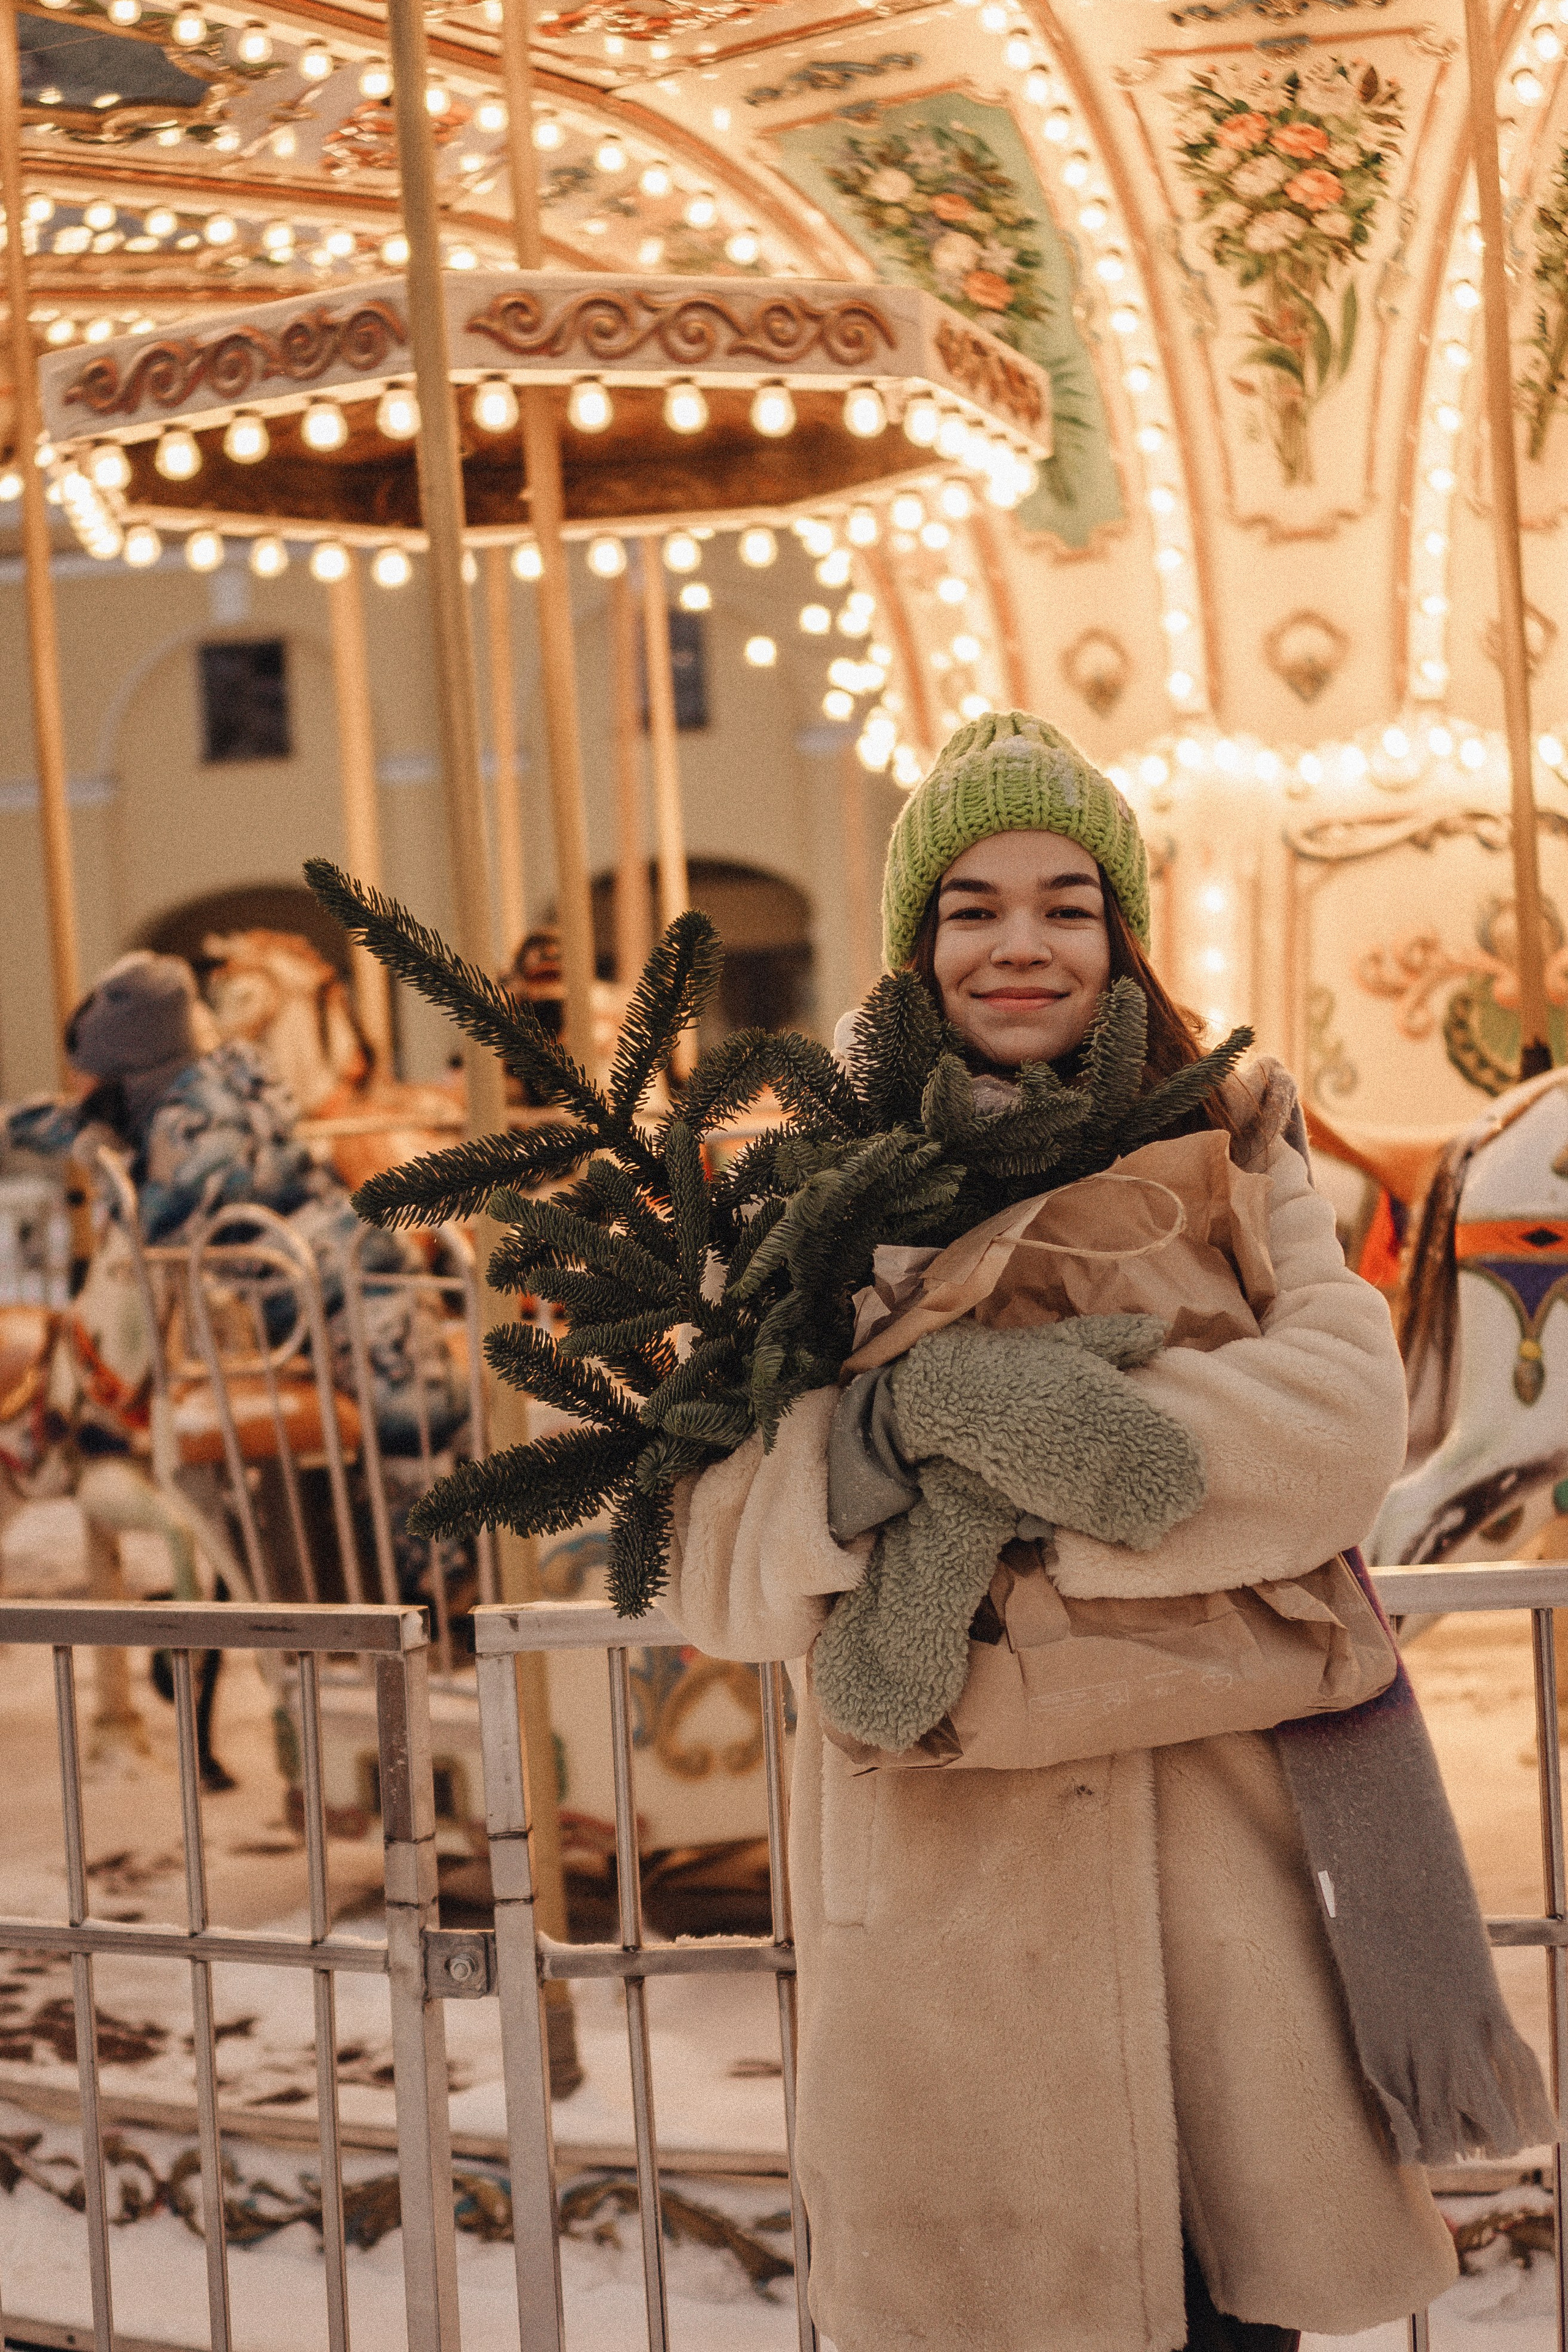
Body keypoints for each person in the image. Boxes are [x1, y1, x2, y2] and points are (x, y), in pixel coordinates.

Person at [656, 712, 1548, 2352]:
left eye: (1067, 902)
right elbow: (717, 1556)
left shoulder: (1236, 1132)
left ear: (1120, 925)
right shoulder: (808, 1189)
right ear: (918, 937)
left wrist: (1023, 1473)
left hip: (1221, 1916)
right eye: (974, 905)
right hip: (945, 1948)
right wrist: (891, 1436)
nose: (1022, 944)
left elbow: (1341, 1434)